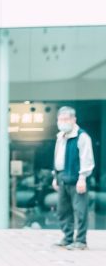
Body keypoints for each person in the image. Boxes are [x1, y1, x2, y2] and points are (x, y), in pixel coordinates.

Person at [52, 106, 95, 250]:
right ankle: (68, 237)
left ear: (73, 120)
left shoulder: (82, 136)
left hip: (77, 179)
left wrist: (82, 178)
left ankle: (81, 241)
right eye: (60, 119)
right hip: (62, 177)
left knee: (80, 210)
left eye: (66, 119)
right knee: (63, 210)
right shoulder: (60, 136)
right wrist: (55, 177)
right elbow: (58, 159)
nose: (63, 121)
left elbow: (86, 159)